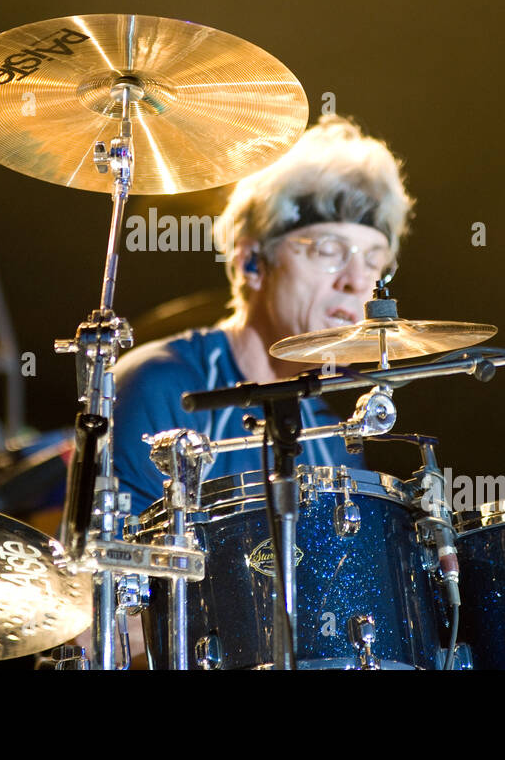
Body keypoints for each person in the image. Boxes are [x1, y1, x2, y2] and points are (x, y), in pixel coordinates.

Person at [111, 116, 414, 514]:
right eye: (328, 251)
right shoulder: (160, 388)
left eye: (374, 262)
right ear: (252, 261)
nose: (357, 281)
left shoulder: (334, 440)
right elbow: (117, 572)